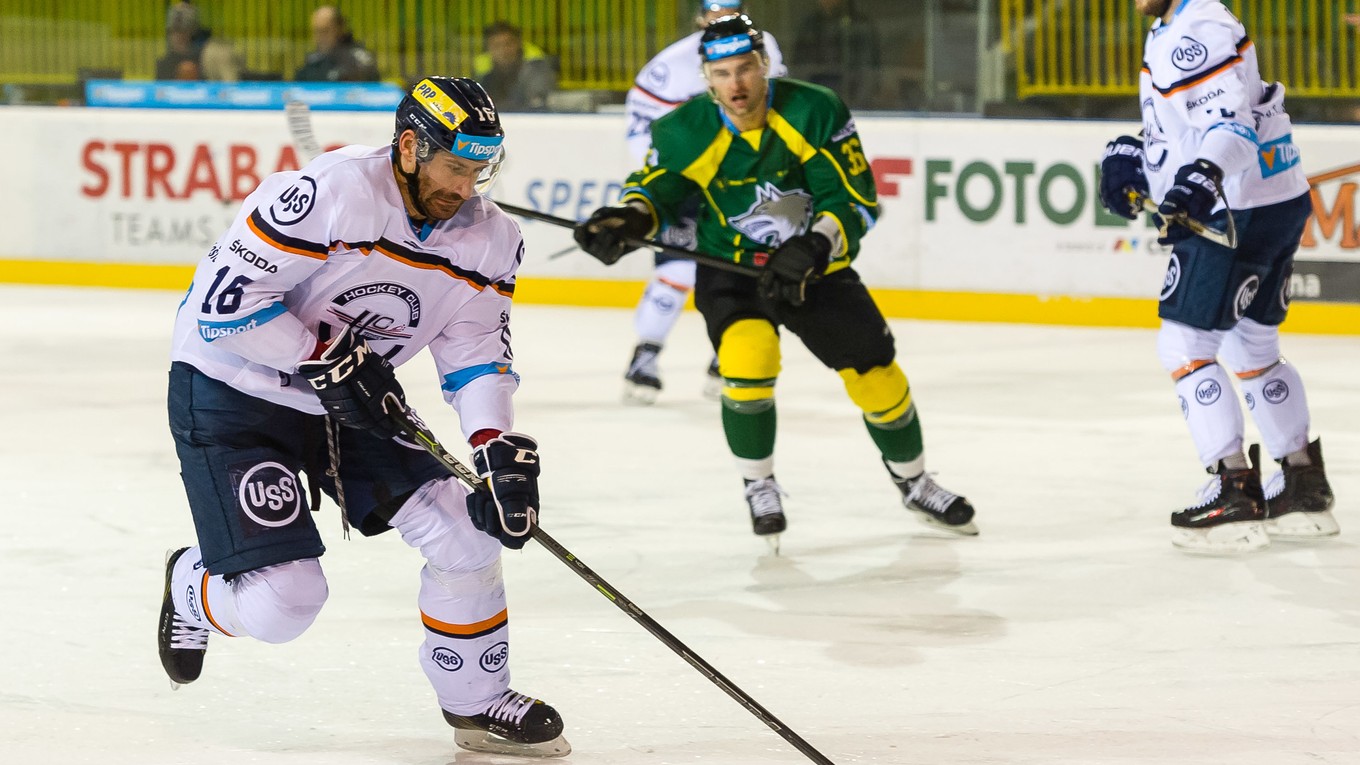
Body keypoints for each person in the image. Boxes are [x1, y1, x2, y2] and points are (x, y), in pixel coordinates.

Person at [157, 76, 569, 757]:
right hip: (234, 385)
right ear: (410, 146)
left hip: (348, 395)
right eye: (454, 166)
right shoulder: (329, 192)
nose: (465, 187)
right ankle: (192, 584)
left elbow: (473, 355)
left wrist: (495, 442)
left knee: (469, 536)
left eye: (479, 170)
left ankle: (476, 701)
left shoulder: (491, 239)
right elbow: (224, 311)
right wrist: (324, 353)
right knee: (284, 603)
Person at [574, 15, 977, 543]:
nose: (736, 85)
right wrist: (629, 219)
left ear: (765, 66)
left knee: (877, 375)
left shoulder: (813, 109)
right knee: (746, 360)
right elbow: (657, 191)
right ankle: (758, 484)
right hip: (731, 272)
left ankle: (915, 482)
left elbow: (855, 200)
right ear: (706, 78)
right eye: (722, 74)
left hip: (817, 271)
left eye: (746, 69)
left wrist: (814, 245)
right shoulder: (683, 129)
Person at [1098, 0, 1339, 553]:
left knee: (1184, 343)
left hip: (1233, 206)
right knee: (1251, 344)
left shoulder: (1196, 26)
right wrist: (1132, 154)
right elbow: (1188, 117)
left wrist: (1200, 178)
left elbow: (1228, 126)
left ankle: (1233, 489)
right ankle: (1301, 483)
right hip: (1274, 196)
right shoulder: (1179, 22)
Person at [619, 0, 786, 405]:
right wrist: (673, 179)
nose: (722, 19)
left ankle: (727, 357)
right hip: (690, 186)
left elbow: (780, 112)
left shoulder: (766, 49)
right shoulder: (667, 67)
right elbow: (642, 132)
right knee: (676, 268)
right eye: (715, 12)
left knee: (747, 268)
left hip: (746, 185)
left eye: (731, 10)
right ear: (700, 17)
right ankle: (646, 355)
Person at [790, 0, 882, 110]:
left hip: (853, 102)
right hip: (816, 102)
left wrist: (860, 103)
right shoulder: (810, 25)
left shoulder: (860, 24)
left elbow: (868, 69)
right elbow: (800, 66)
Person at [475, 21, 557, 112]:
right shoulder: (482, 66)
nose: (503, 50)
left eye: (508, 44)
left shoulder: (535, 64)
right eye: (496, 45)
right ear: (488, 48)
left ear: (518, 43)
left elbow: (537, 102)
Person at [155, 2, 242, 82]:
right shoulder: (164, 64)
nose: (178, 37)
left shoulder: (212, 56)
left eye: (183, 31)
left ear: (193, 31)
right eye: (174, 31)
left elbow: (229, 89)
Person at [294, 6, 381, 82]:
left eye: (325, 31)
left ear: (340, 30)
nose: (319, 37)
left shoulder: (358, 60)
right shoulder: (313, 61)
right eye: (316, 31)